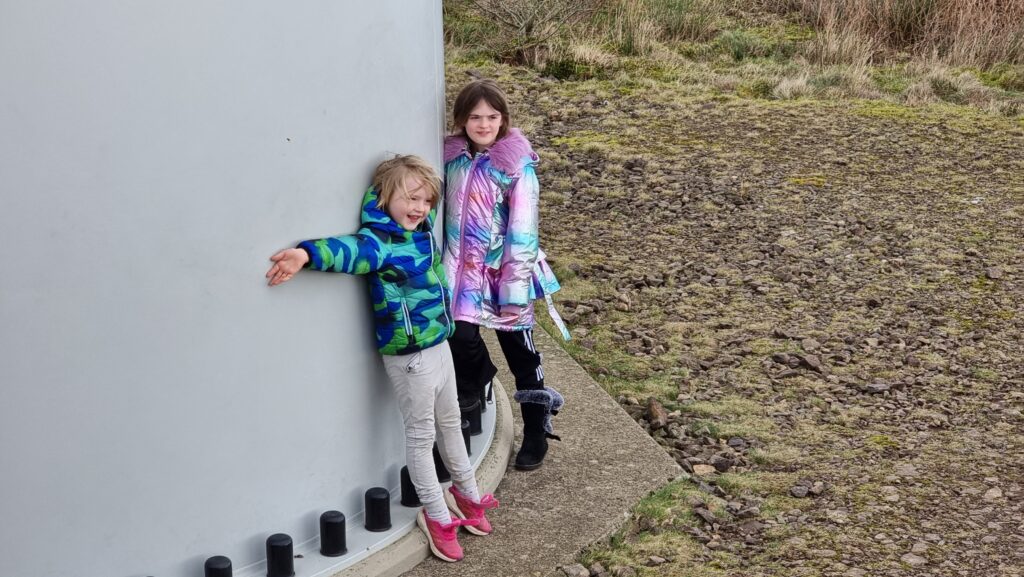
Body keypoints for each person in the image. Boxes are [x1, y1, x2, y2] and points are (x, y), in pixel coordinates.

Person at [265, 155, 498, 563]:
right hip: (410, 358)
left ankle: (468, 493)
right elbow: (349, 250)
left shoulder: (422, 231)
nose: (419, 207)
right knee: (421, 437)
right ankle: (437, 515)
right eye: (410, 197)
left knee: (451, 423)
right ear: (384, 197)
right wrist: (305, 254)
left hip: (440, 345)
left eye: (426, 200)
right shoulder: (380, 241)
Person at [443, 79, 569, 471]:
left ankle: (535, 429)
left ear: (503, 119)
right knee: (459, 337)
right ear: (462, 120)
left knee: (522, 354)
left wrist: (514, 291)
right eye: (475, 117)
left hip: (504, 275)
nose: (483, 124)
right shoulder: (452, 160)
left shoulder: (516, 167)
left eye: (492, 117)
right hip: (461, 274)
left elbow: (524, 232)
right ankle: (479, 381)